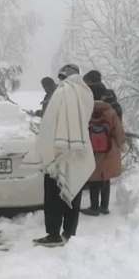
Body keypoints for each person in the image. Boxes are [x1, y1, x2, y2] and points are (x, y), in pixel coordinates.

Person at [27, 63, 96, 247]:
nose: (60, 81)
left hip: (58, 150)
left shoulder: (65, 91)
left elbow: (52, 121)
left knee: (53, 194)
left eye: (61, 77)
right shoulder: (86, 92)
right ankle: (69, 232)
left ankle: (53, 234)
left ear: (64, 76)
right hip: (80, 148)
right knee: (73, 189)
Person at [81, 82, 126, 216]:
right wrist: (120, 144)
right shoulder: (110, 111)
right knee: (105, 178)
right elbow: (119, 132)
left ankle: (94, 207)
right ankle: (104, 207)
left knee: (94, 178)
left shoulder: (86, 111)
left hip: (91, 149)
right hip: (109, 149)